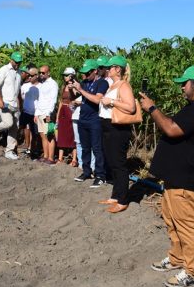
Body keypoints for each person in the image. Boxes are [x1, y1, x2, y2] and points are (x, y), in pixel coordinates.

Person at [139, 65, 194, 287]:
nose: (182, 87)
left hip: (190, 181)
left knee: (188, 226)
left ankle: (192, 272)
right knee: (173, 221)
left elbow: (172, 129)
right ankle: (177, 258)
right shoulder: (193, 107)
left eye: (185, 83)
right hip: (177, 178)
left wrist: (152, 108)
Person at [96, 55, 136, 213]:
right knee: (112, 162)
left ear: (117, 69)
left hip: (117, 129)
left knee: (119, 164)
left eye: (109, 67)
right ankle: (115, 195)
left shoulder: (124, 86)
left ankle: (123, 200)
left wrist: (111, 102)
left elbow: (131, 107)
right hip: (107, 126)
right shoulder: (112, 85)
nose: (107, 69)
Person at [71, 59, 109, 187]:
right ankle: (86, 171)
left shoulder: (102, 83)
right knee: (85, 147)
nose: (85, 76)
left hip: (95, 120)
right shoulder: (85, 82)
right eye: (84, 73)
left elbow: (97, 100)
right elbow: (78, 96)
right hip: (83, 118)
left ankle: (100, 175)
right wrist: (73, 89)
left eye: (87, 73)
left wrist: (81, 90)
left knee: (97, 148)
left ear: (95, 71)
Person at [0, 51, 23, 160]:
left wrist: (20, 104)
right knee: (8, 123)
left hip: (14, 103)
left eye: (19, 62)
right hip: (4, 102)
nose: (17, 64)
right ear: (11, 60)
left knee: (14, 127)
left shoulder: (19, 72)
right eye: (16, 62)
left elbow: (17, 90)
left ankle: (9, 151)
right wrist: (0, 99)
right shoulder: (4, 70)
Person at [34, 65, 58, 164]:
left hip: (46, 113)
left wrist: (49, 114)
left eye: (43, 73)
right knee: (43, 136)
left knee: (49, 135)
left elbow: (53, 100)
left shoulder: (53, 84)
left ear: (48, 73)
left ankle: (51, 158)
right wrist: (36, 114)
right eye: (40, 73)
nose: (41, 74)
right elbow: (39, 100)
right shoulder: (41, 84)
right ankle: (45, 156)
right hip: (40, 112)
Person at [55, 67, 78, 164]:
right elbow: (61, 101)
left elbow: (76, 97)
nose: (65, 77)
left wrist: (72, 87)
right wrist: (57, 116)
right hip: (63, 112)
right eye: (64, 75)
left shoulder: (76, 86)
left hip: (71, 111)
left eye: (66, 75)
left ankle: (74, 159)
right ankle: (60, 158)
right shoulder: (63, 87)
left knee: (72, 135)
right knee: (62, 135)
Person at [19, 67, 39, 155]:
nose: (29, 77)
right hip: (25, 111)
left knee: (35, 133)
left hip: (35, 113)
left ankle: (33, 150)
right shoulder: (24, 86)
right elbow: (20, 97)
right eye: (29, 76)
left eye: (31, 76)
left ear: (36, 76)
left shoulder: (41, 87)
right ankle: (17, 148)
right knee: (20, 128)